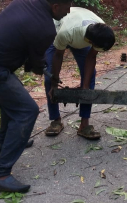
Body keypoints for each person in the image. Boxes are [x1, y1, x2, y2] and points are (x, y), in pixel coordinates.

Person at [0, 0, 73, 192]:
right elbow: (35, 65)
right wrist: (46, 71)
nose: (69, 11)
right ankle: (0, 174)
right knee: (27, 110)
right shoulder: (45, 28)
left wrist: (35, 63)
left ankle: (3, 143)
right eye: (67, 7)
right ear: (55, 6)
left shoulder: (22, 1)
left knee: (14, 102)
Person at [44, 7, 115, 140]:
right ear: (90, 42)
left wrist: (85, 88)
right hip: (57, 32)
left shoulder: (101, 31)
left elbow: (91, 57)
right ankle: (56, 120)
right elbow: (58, 56)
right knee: (49, 76)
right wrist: (54, 84)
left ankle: (84, 125)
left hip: (80, 34)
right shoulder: (66, 32)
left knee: (90, 76)